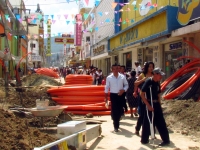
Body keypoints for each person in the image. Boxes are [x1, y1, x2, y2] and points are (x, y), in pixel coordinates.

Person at [140, 68, 170, 146]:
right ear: (155, 74)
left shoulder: (157, 82)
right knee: (147, 122)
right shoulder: (149, 81)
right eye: (160, 75)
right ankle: (144, 139)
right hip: (150, 103)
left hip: (156, 104)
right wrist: (148, 105)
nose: (161, 77)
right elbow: (142, 94)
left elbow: (158, 94)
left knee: (161, 122)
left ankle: (166, 140)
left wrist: (160, 105)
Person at [105, 64, 129, 132]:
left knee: (120, 109)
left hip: (121, 95)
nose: (115, 70)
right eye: (114, 69)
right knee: (115, 109)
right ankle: (116, 126)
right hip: (113, 95)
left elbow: (126, 85)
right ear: (112, 70)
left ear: (119, 69)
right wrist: (106, 96)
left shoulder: (122, 77)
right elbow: (107, 87)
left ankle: (116, 119)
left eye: (117, 68)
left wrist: (123, 90)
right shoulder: (109, 78)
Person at [134, 61, 155, 136]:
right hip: (143, 96)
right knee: (142, 114)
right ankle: (137, 129)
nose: (151, 68)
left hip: (152, 97)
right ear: (147, 67)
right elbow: (136, 83)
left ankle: (150, 132)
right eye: (149, 67)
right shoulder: (142, 75)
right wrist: (143, 79)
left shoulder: (154, 75)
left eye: (152, 67)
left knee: (151, 114)